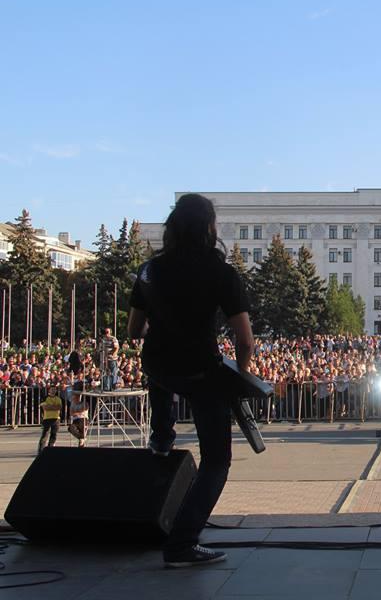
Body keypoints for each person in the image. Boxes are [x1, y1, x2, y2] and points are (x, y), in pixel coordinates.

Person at [128, 193, 255, 569]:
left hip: (158, 364)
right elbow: (244, 340)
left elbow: (134, 330)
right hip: (201, 370)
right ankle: (182, 544)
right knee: (216, 461)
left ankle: (162, 435)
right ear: (210, 229)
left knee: (158, 372)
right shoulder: (221, 272)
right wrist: (242, 378)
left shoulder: (150, 270)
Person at [37, 384, 62, 455]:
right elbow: (45, 407)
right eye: (52, 389)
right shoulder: (45, 398)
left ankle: (50, 450)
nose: (53, 390)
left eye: (54, 389)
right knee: (45, 435)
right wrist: (53, 407)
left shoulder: (58, 398)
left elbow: (59, 407)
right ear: (49, 390)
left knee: (54, 435)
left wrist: (50, 406)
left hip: (56, 419)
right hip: (47, 418)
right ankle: (41, 451)